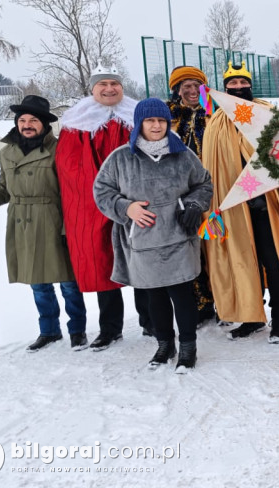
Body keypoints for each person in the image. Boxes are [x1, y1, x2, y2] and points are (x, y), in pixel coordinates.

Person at [94, 98, 214, 372]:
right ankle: (164, 344)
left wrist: (194, 205)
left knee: (182, 294)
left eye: (161, 120)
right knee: (154, 297)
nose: (157, 126)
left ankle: (187, 347)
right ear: (140, 124)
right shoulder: (121, 158)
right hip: (143, 241)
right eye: (150, 121)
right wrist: (127, 208)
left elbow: (203, 184)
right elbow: (102, 191)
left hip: (178, 238)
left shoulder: (183, 155)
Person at [202, 61, 279, 343]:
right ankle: (252, 317)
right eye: (232, 84)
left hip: (266, 203)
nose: (238, 88)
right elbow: (211, 166)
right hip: (233, 207)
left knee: (273, 261)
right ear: (225, 86)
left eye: (243, 83)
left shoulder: (268, 114)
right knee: (243, 261)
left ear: (250, 85)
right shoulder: (216, 122)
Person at [0, 96, 87, 352]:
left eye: (33, 120)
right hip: (22, 222)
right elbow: (4, 189)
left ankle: (77, 330)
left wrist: (69, 228)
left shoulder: (59, 149)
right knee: (38, 283)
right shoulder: (6, 153)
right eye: (22, 120)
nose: (27, 125)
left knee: (67, 280)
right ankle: (49, 331)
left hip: (54, 218)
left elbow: (71, 192)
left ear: (44, 124)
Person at [57, 65, 152, 351]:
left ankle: (151, 320)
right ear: (92, 88)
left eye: (114, 83)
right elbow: (70, 166)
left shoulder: (138, 116)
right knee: (103, 262)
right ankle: (111, 328)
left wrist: (134, 194)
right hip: (95, 205)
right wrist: (106, 196)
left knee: (143, 260)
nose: (109, 88)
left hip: (138, 201)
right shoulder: (77, 121)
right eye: (103, 84)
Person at [167, 65, 215, 325]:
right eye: (186, 86)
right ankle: (199, 304)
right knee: (189, 248)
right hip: (180, 194)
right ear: (177, 90)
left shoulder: (214, 114)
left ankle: (223, 299)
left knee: (216, 246)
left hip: (213, 189)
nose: (192, 90)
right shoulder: (167, 118)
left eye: (197, 86)